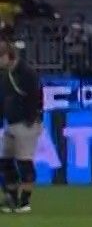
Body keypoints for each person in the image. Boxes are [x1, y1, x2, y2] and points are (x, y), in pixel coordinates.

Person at [1, 41, 43, 213]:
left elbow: (36, 95)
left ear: (7, 56)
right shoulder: (5, 74)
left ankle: (24, 202)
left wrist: (31, 118)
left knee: (24, 162)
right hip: (10, 123)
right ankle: (12, 197)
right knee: (5, 161)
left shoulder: (26, 72)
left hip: (25, 123)